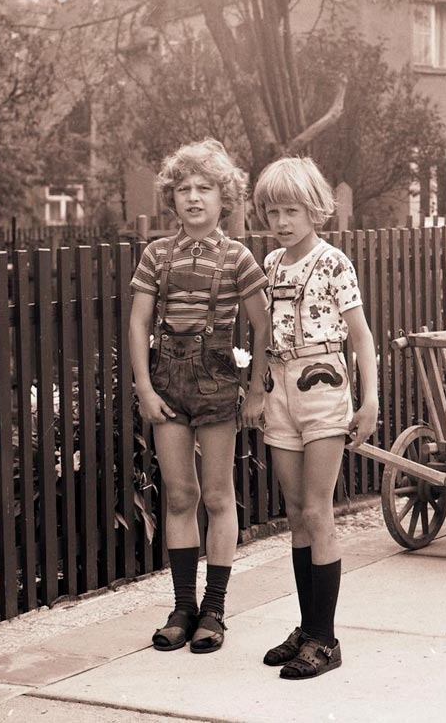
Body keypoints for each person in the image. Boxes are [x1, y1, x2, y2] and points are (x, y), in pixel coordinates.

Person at [130, 139, 270, 653]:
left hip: (216, 385)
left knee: (216, 494)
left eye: (204, 188)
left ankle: (214, 607)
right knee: (180, 496)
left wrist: (256, 390)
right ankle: (183, 606)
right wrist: (144, 387)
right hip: (168, 385)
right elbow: (139, 321)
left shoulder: (237, 257)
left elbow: (261, 325)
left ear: (222, 197)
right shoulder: (155, 255)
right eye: (184, 188)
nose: (193, 197)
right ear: (173, 197)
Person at [254, 157, 378, 680]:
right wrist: (257, 390)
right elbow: (262, 335)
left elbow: (362, 335)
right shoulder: (271, 263)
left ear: (314, 210)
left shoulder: (333, 263)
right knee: (297, 510)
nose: (282, 221)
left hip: (323, 382)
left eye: (292, 210)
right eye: (273, 211)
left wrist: (369, 400)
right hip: (280, 385)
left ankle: (326, 640)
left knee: (319, 509)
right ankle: (308, 627)